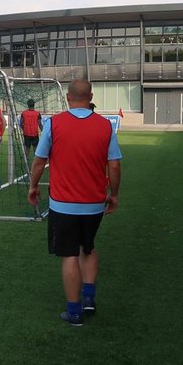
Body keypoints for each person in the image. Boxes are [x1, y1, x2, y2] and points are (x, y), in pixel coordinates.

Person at [27, 79, 122, 327]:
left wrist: (33, 186)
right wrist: (114, 194)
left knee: (69, 254)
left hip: (63, 205)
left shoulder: (54, 123)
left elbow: (39, 161)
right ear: (90, 96)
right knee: (88, 248)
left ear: (68, 97)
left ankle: (74, 311)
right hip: (94, 205)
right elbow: (114, 164)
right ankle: (88, 299)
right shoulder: (105, 126)